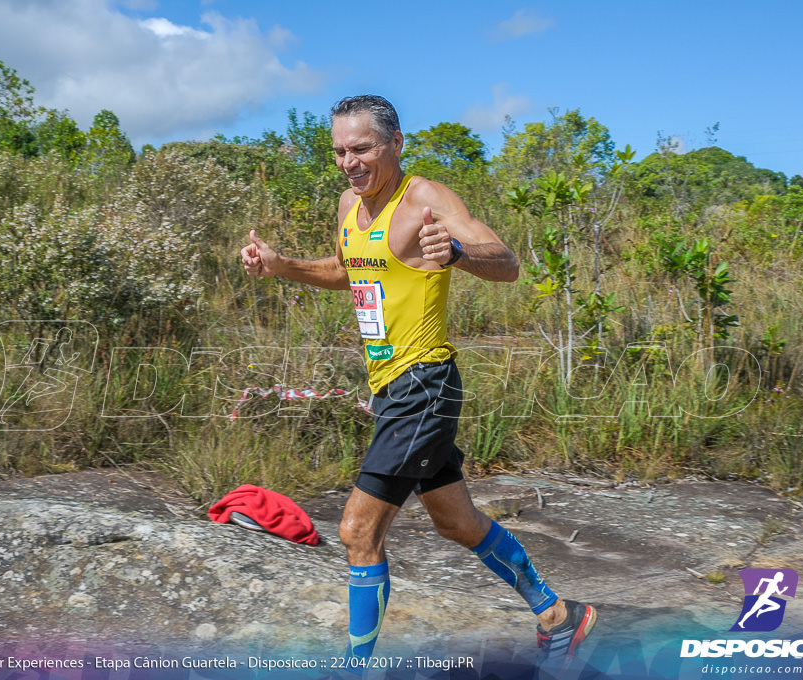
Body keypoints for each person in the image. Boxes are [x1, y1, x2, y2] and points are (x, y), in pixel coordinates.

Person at [241, 95, 596, 662]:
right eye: (339, 151)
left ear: (396, 143)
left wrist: (456, 251)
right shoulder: (347, 206)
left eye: (361, 149)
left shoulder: (423, 197)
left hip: (424, 384)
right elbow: (344, 269)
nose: (349, 163)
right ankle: (559, 616)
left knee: (359, 530)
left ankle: (357, 670)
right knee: (456, 521)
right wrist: (283, 266)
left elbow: (505, 262)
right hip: (391, 390)